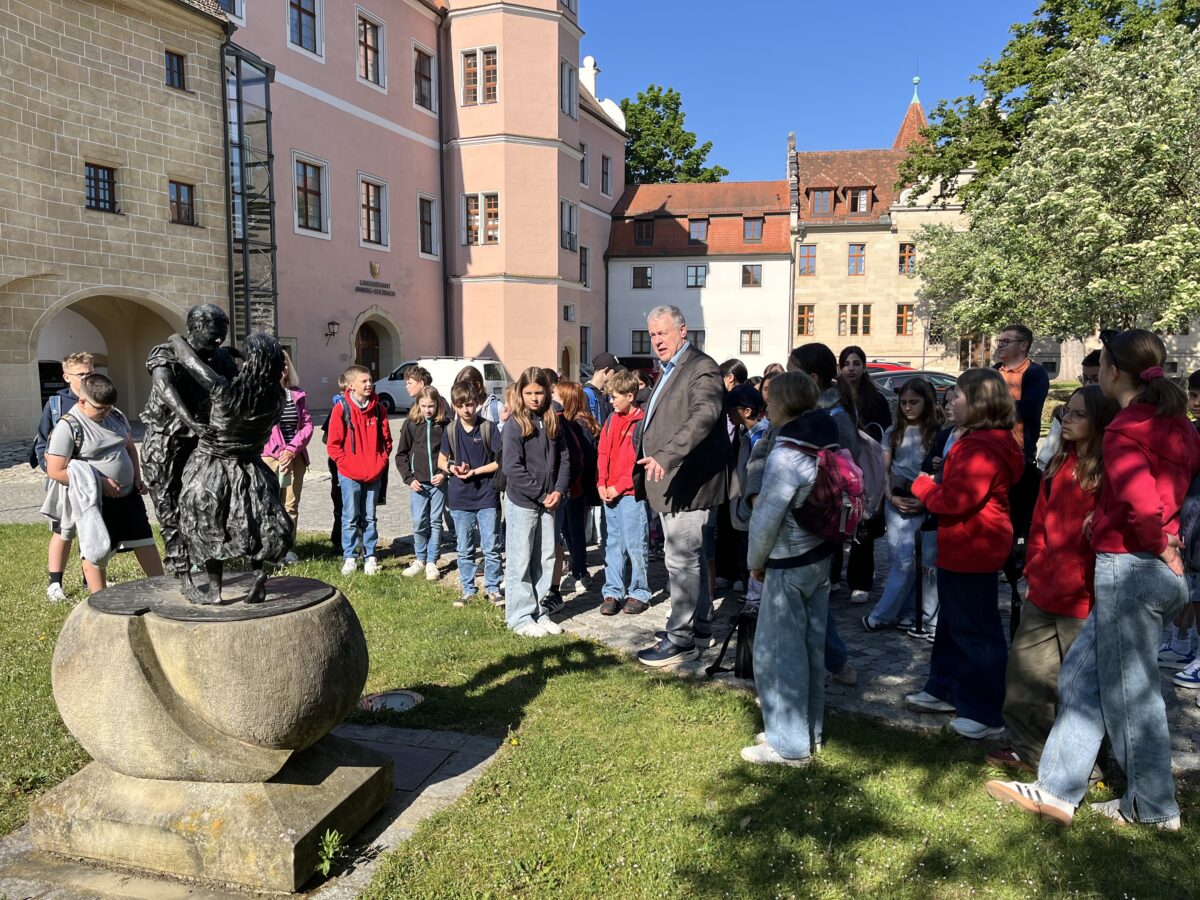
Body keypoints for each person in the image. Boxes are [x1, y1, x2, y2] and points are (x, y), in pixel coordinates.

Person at [987, 329, 1200, 829]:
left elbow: (1142, 506)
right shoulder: (1178, 424)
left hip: (1131, 568)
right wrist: (1116, 521)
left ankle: (1152, 807)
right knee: (1080, 679)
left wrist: (1156, 542)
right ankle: (1057, 790)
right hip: (1147, 566)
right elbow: (1166, 495)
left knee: (1132, 695)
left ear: (1113, 372)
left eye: (1101, 363)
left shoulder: (1126, 429)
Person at [987, 385, 1118, 774]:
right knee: (1027, 673)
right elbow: (1040, 523)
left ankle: (1087, 765)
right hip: (1045, 590)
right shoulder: (1059, 464)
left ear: (1100, 421)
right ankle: (1029, 749)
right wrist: (1035, 567)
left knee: (1079, 687)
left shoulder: (1110, 472)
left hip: (1085, 598)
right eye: (1066, 413)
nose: (1067, 420)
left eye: (1078, 414)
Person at [905, 368, 1024, 739]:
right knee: (952, 622)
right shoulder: (979, 440)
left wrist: (922, 486)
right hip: (963, 543)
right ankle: (943, 688)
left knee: (977, 629)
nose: (949, 401)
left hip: (975, 544)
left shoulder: (981, 446)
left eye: (956, 395)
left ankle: (985, 711)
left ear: (979, 403)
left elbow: (955, 500)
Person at [164, 332, 292, 604]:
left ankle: (215, 592)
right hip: (252, 467)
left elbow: (192, 364)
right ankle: (257, 573)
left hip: (213, 467)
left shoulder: (227, 390)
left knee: (210, 526)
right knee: (255, 523)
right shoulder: (278, 397)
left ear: (252, 360)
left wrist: (176, 339)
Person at [743, 370, 831, 767]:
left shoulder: (787, 452)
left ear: (782, 403)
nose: (767, 405)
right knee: (810, 649)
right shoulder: (826, 438)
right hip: (820, 555)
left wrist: (755, 563)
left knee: (779, 653)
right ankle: (808, 731)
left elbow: (766, 518)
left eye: (771, 399)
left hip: (788, 559)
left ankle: (789, 745)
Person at [635, 305, 728, 667]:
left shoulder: (701, 367)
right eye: (652, 335)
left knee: (681, 560)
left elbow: (704, 416)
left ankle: (680, 638)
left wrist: (666, 455)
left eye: (663, 333)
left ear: (683, 331)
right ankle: (699, 627)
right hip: (671, 482)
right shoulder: (669, 369)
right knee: (692, 558)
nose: (657, 340)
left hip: (690, 483)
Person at [141, 304, 239, 579]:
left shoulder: (219, 357)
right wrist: (192, 423)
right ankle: (179, 566)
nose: (219, 340)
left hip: (202, 440)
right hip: (165, 439)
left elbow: (233, 388)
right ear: (195, 327)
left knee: (202, 500)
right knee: (168, 503)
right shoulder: (165, 352)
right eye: (214, 333)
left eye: (223, 335)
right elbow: (165, 388)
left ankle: (202, 556)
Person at [41, 373, 162, 594]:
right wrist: (100, 483)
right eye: (100, 409)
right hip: (96, 501)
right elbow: (55, 470)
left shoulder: (116, 415)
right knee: (95, 550)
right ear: (82, 401)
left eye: (109, 407)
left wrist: (136, 478)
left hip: (129, 496)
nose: (105, 413)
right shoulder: (68, 426)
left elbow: (129, 447)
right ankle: (99, 599)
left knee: (144, 540)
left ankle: (163, 588)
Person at [784, 343, 860, 686]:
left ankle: (832, 661)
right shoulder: (795, 410)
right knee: (803, 600)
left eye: (792, 371)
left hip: (817, 522)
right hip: (792, 521)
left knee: (814, 601)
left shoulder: (834, 417)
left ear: (812, 378)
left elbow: (846, 473)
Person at [863, 378, 942, 631]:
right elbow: (884, 469)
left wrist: (925, 502)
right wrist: (889, 497)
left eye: (914, 402)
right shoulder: (893, 432)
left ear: (926, 402)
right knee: (899, 560)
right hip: (895, 502)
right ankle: (906, 611)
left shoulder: (936, 433)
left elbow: (938, 473)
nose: (908, 407)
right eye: (904, 402)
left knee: (910, 561)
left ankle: (884, 614)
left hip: (922, 501)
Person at [503, 367, 569, 638]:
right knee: (520, 559)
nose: (534, 398)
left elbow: (564, 458)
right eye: (529, 393)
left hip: (549, 501)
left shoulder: (553, 421)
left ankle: (539, 611)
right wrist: (541, 494)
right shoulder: (515, 424)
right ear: (521, 393)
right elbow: (512, 467)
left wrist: (559, 490)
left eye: (539, 392)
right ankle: (519, 617)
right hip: (523, 502)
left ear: (547, 392)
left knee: (545, 557)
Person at [33, 351, 94, 601]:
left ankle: (90, 579)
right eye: (81, 374)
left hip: (92, 479)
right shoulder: (56, 404)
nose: (87, 378)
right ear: (67, 376)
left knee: (92, 529)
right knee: (63, 531)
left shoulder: (99, 399)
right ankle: (55, 583)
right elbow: (41, 441)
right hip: (64, 480)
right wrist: (50, 470)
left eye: (90, 373)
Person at [439, 381, 503, 607]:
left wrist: (475, 471)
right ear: (454, 406)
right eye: (460, 405)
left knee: (491, 547)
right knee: (464, 548)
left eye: (469, 404)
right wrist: (452, 468)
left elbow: (499, 461)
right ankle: (468, 589)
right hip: (460, 497)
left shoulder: (488, 428)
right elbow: (441, 461)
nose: (466, 410)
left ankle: (493, 588)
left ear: (476, 403)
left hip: (487, 495)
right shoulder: (450, 430)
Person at [838, 345, 893, 605]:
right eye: (846, 363)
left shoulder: (875, 399)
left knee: (863, 521)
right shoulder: (833, 396)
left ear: (864, 366)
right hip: (838, 465)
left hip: (866, 465)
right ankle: (833, 576)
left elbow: (884, 433)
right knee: (836, 519)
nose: (851, 368)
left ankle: (860, 582)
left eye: (856, 363)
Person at [327, 364, 392, 576]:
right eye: (364, 381)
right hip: (349, 475)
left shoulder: (379, 409)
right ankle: (350, 556)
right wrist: (346, 464)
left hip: (373, 473)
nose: (369, 384)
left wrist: (380, 462)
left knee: (370, 516)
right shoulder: (341, 408)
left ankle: (370, 556)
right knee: (350, 517)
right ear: (351, 385)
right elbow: (333, 445)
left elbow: (387, 442)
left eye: (370, 380)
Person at [596, 369, 650, 616]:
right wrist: (601, 482)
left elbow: (638, 463)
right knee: (613, 544)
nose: (611, 401)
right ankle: (613, 591)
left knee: (635, 544)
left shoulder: (642, 422)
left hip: (630, 494)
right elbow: (603, 452)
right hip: (609, 492)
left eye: (615, 397)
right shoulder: (611, 420)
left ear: (630, 396)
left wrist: (619, 486)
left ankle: (639, 591)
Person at [1164, 369, 1200, 687]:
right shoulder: (1191, 430)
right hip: (1190, 521)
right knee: (1188, 588)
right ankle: (1180, 644)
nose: (1196, 402)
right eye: (1193, 395)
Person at [261, 351, 313, 565]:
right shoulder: (261, 393)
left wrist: (291, 450)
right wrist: (280, 452)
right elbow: (261, 427)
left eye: (284, 363)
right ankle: (269, 549)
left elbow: (307, 425)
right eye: (277, 363)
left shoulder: (296, 394)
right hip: (270, 457)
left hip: (295, 457)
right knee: (269, 505)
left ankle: (287, 548)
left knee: (290, 505)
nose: (282, 367)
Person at [396, 386, 449, 581]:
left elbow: (452, 454)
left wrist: (444, 473)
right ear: (418, 404)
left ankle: (432, 561)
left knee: (435, 521)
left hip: (438, 483)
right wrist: (409, 479)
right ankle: (419, 559)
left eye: (431, 406)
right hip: (417, 484)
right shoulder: (411, 424)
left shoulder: (445, 425)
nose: (428, 410)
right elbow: (401, 455)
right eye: (424, 406)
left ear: (438, 405)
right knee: (419, 522)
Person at [555, 381, 600, 594]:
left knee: (574, 530)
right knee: (569, 528)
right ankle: (577, 566)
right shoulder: (574, 421)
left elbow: (583, 457)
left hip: (577, 485)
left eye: (556, 394)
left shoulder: (578, 424)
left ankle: (580, 571)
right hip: (575, 485)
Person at [1036, 350, 1101, 471]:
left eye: (1096, 379)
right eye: (1085, 378)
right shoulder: (1064, 415)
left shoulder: (1118, 415)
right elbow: (1045, 460)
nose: (1088, 384)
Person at [455, 364, 504, 431]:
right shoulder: (461, 408)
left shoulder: (496, 407)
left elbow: (505, 434)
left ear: (478, 385)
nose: (462, 392)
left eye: (466, 388)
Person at [584, 353, 619, 426]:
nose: (616, 375)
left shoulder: (606, 395)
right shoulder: (584, 395)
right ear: (606, 371)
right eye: (614, 372)